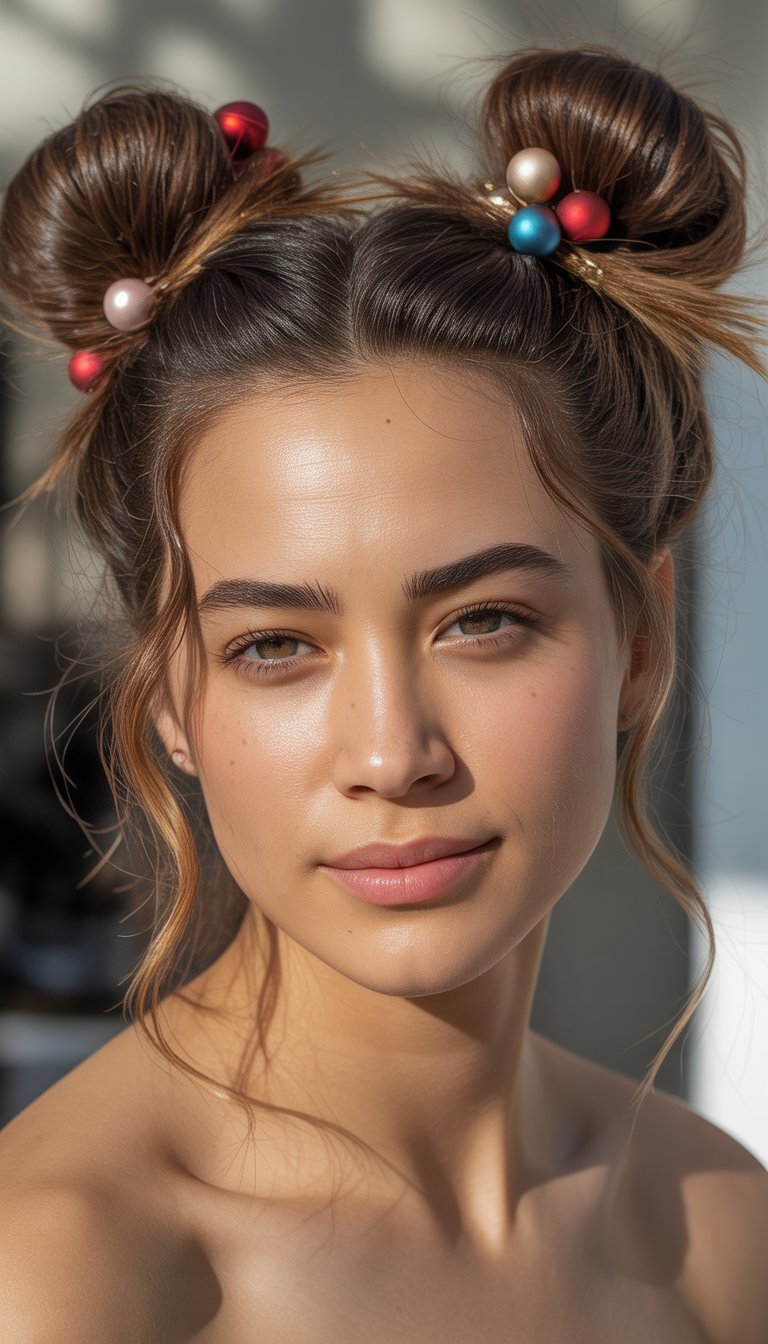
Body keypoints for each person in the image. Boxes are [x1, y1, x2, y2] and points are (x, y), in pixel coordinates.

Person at [0, 44, 766, 1343]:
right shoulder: (66, 1270)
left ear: (644, 634)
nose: (391, 752)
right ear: (171, 685)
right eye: (276, 647)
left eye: (485, 622)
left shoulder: (712, 1228)